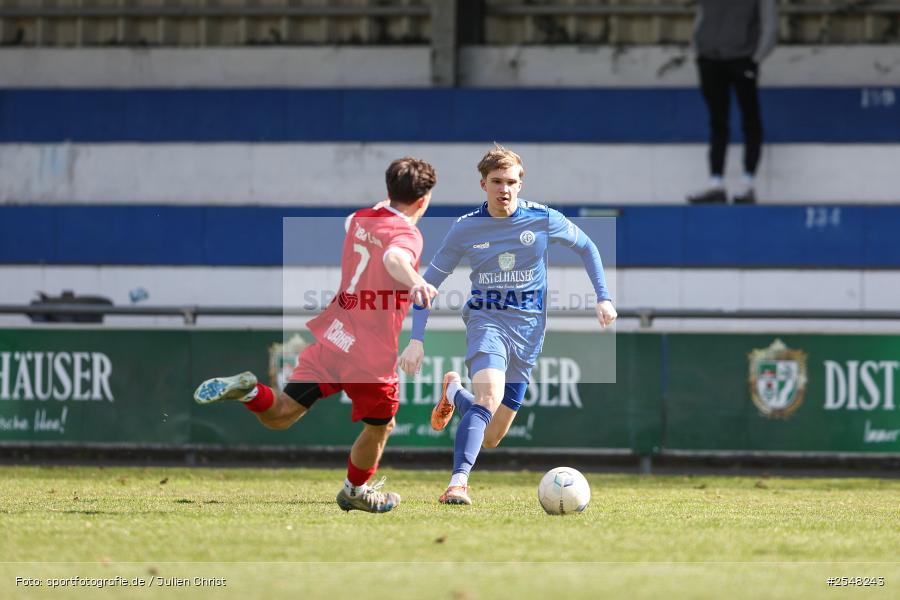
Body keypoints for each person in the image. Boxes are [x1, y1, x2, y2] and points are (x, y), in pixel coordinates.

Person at [193, 157, 438, 514]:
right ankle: (356, 489)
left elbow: (360, 227)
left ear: (388, 190)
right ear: (423, 200)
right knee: (382, 426)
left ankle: (249, 391)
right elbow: (393, 258)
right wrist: (416, 280)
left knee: (281, 414)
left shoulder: (359, 219)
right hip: (369, 354)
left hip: (335, 336)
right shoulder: (408, 235)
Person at [399, 145, 616, 505]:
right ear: (483, 184)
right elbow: (428, 284)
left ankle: (453, 392)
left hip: (530, 333)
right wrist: (416, 339)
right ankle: (457, 484)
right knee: (488, 396)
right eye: (497, 181)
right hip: (488, 321)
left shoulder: (542, 219)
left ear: (521, 182)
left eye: (511, 182)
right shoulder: (465, 229)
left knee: (493, 435)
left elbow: (588, 246)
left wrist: (603, 296)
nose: (505, 189)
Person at [687, 0, 778, 205]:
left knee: (750, 118)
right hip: (710, 59)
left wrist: (755, 58)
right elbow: (702, 16)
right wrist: (698, 48)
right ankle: (716, 183)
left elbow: (771, 25)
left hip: (742, 59)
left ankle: (747, 183)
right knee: (717, 120)